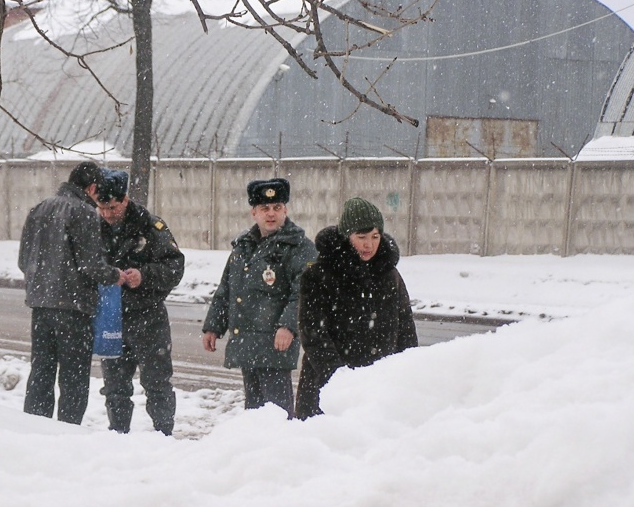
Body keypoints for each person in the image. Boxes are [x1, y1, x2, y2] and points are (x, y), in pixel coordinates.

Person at [18, 161, 126, 424]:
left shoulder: (39, 209)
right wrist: (115, 275)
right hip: (74, 308)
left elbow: (24, 260)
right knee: (74, 377)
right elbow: (90, 265)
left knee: (41, 371)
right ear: (91, 187)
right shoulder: (84, 213)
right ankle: (67, 431)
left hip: (41, 306)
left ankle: (35, 426)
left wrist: (43, 281)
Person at [202, 178, 317, 417]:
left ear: (285, 210)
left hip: (275, 342)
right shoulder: (243, 246)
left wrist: (288, 326)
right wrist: (213, 326)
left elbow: (304, 292)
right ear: (254, 212)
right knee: (253, 412)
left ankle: (280, 451)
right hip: (247, 340)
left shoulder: (299, 247)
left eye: (277, 207)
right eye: (265, 208)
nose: (271, 214)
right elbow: (227, 290)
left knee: (277, 411)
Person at [295, 197, 418, 420]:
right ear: (346, 236)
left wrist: (406, 374)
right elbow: (312, 332)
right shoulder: (319, 275)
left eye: (375, 237)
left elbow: (405, 328)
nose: (369, 245)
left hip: (379, 384)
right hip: (327, 387)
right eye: (361, 237)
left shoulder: (389, 275)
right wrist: (338, 378)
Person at [95, 169, 185, 435]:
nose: (108, 214)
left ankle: (163, 435)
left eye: (112, 207)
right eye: (102, 207)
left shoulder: (151, 226)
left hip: (148, 317)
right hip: (112, 316)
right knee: (114, 386)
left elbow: (174, 266)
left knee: (157, 382)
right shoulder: (94, 227)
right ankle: (118, 434)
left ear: (124, 200)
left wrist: (144, 276)